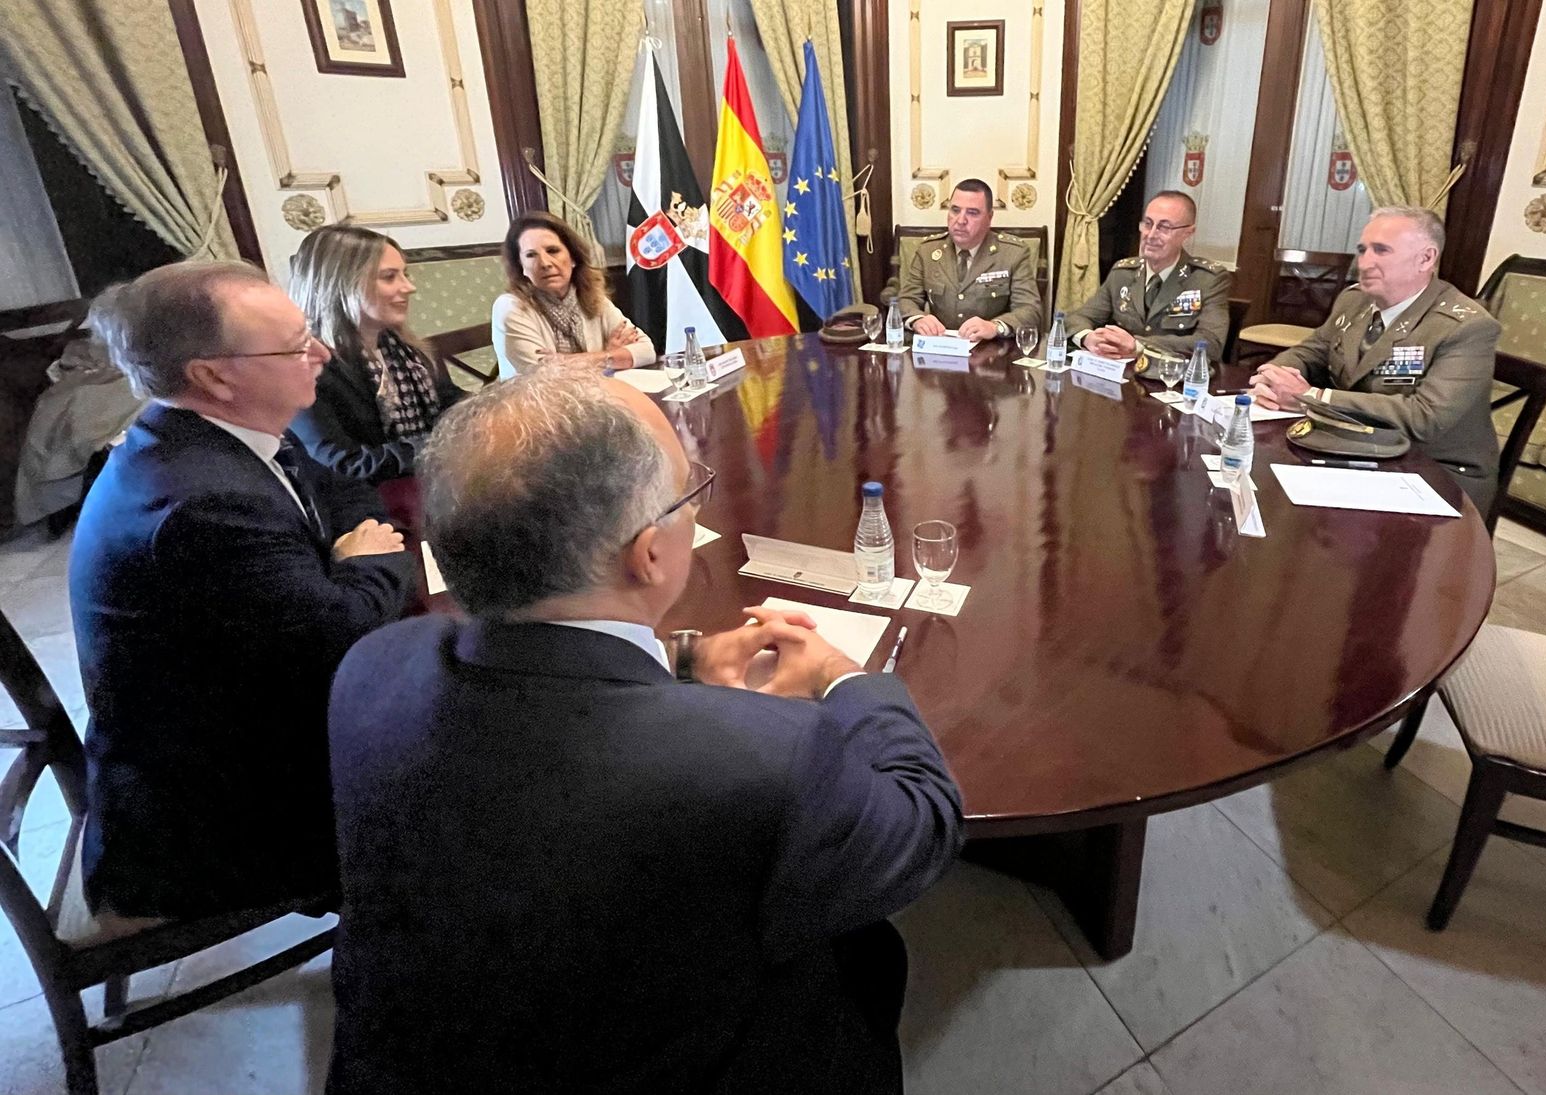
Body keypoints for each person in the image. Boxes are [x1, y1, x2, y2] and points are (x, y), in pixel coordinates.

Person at [324, 370, 964, 1094]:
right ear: (650, 552)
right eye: (689, 495)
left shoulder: (373, 665)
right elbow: (925, 822)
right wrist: (845, 677)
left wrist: (686, 654)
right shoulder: (762, 758)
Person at [69, 261, 413, 921]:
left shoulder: (218, 433)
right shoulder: (201, 500)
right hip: (211, 818)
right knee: (474, 766)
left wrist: (348, 555)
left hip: (229, 727)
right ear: (211, 374)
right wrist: (365, 560)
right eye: (294, 344)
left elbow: (344, 490)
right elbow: (346, 631)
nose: (321, 350)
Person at [1249, 206, 1501, 516]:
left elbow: (1425, 418)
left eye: (1381, 251)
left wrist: (1313, 397)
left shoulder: (1466, 326)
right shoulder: (1354, 300)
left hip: (1434, 469)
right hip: (1360, 447)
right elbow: (1312, 350)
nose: (1364, 263)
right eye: (1362, 250)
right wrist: (1278, 376)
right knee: (1265, 490)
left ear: (1426, 258)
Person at [287, 225, 466, 482]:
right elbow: (342, 463)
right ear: (342, 284)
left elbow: (449, 401)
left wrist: (494, 409)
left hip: (424, 482)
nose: (409, 287)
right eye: (389, 277)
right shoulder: (309, 366)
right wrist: (440, 445)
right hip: (371, 508)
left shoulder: (406, 350)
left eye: (405, 274)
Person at [1061, 190, 1232, 359]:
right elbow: (1079, 317)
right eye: (1148, 224)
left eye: (1164, 227)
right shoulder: (1122, 273)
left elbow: (1211, 343)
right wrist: (1088, 338)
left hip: (1172, 379)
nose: (1151, 235)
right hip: (1121, 375)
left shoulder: (1207, 280)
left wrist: (1138, 346)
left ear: (1188, 232)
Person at [492, 211, 656, 379]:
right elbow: (545, 376)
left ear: (573, 258)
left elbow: (646, 350)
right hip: (535, 403)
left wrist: (571, 361)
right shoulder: (510, 307)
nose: (545, 263)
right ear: (521, 267)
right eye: (531, 255)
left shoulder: (592, 297)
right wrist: (609, 355)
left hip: (596, 395)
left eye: (553, 250)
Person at [897, 178, 1043, 341]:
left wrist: (995, 326)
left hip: (992, 354)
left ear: (989, 217)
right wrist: (918, 319)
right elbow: (907, 299)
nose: (960, 221)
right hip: (941, 349)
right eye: (955, 210)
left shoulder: (1013, 254)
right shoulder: (928, 251)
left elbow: (1030, 310)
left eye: (972, 213)